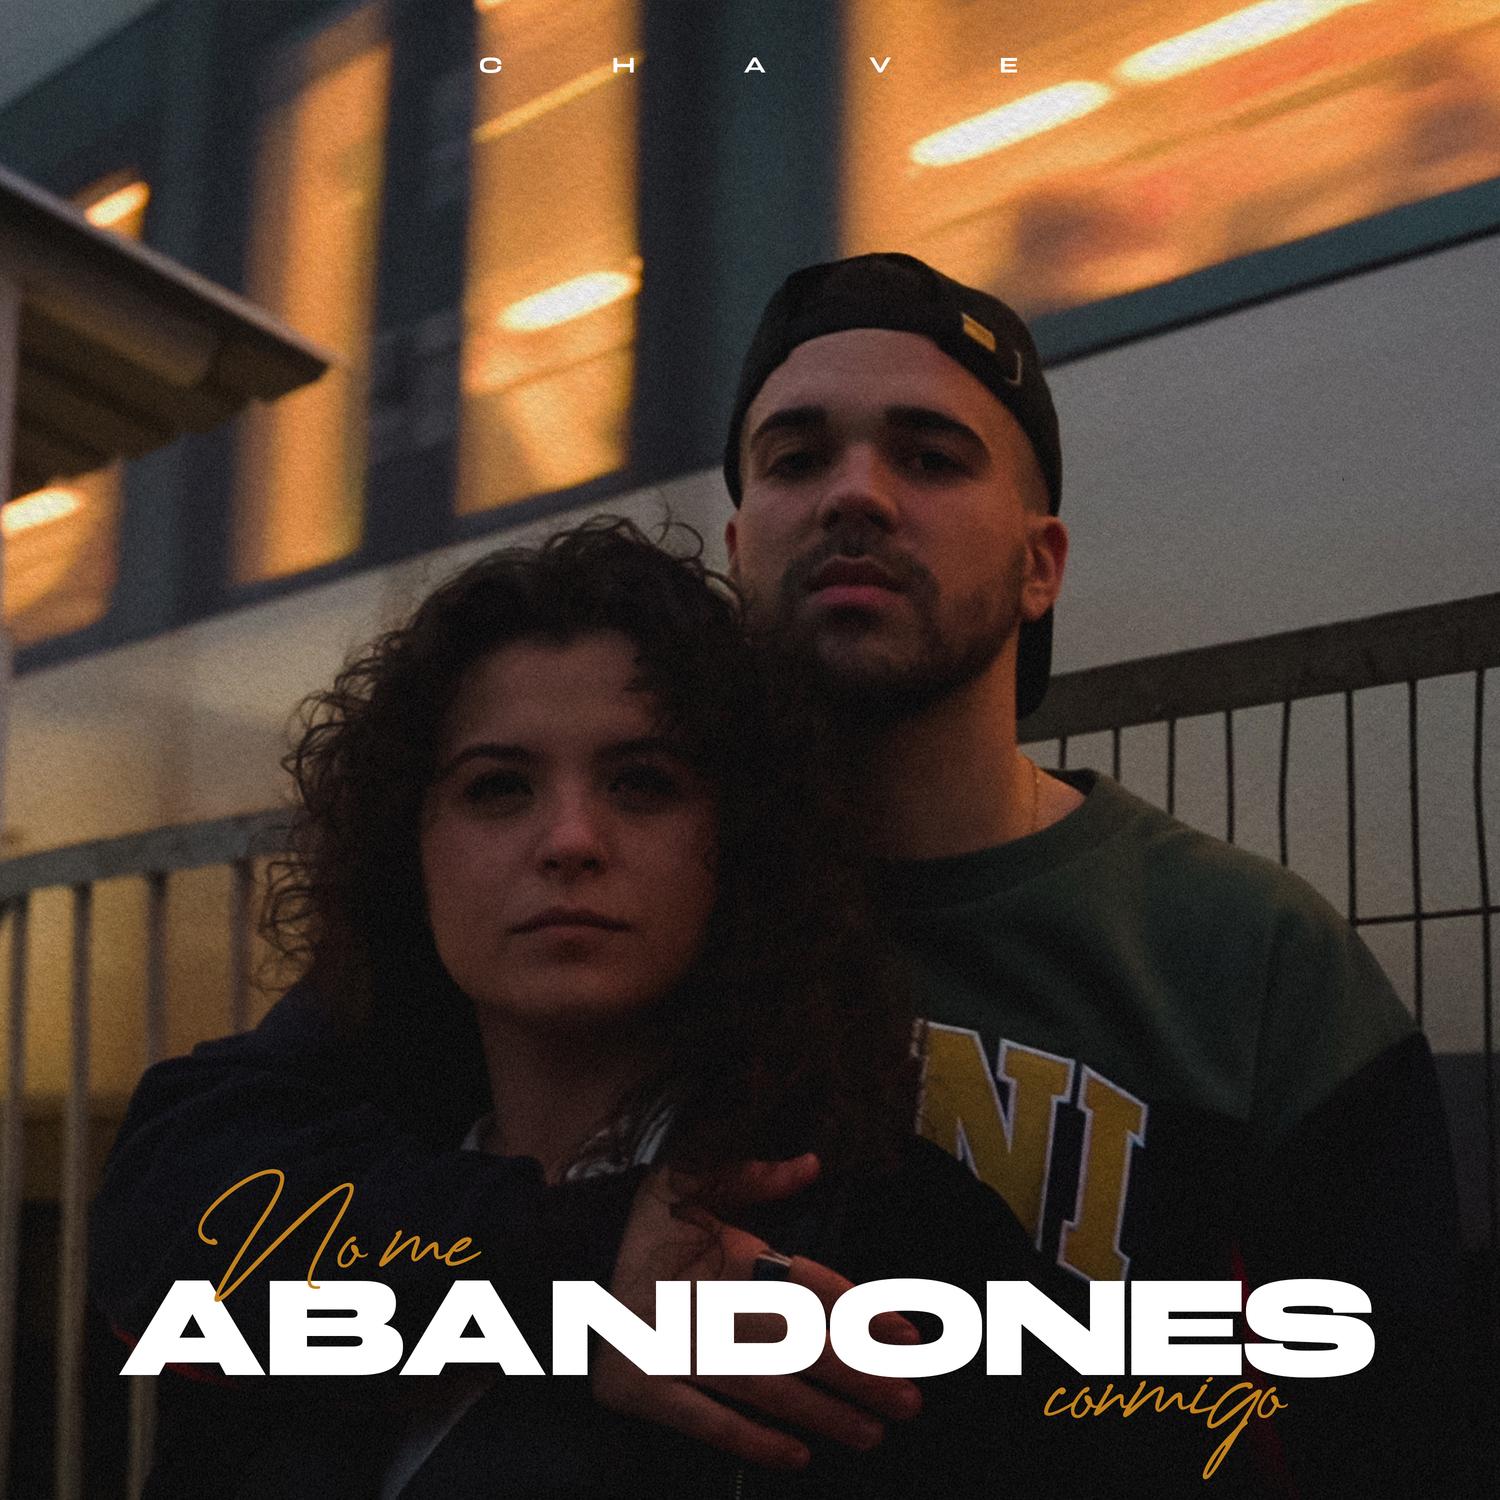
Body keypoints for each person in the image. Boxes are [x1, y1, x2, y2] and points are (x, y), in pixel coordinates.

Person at [93, 255, 1473, 1496]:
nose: (858, 494)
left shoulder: (1246, 954)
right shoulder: (584, 955)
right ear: (741, 548)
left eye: (931, 457)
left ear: (1041, 563)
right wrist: (579, 1273)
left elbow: (1395, 1412)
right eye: (798, 458)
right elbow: (184, 1200)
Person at [93, 518, 1081, 1498]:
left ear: (742, 839)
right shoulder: (309, 1195)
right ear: (411, 850)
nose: (569, 839)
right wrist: (578, 1273)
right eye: (498, 788)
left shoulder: (896, 1243)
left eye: (643, 783)